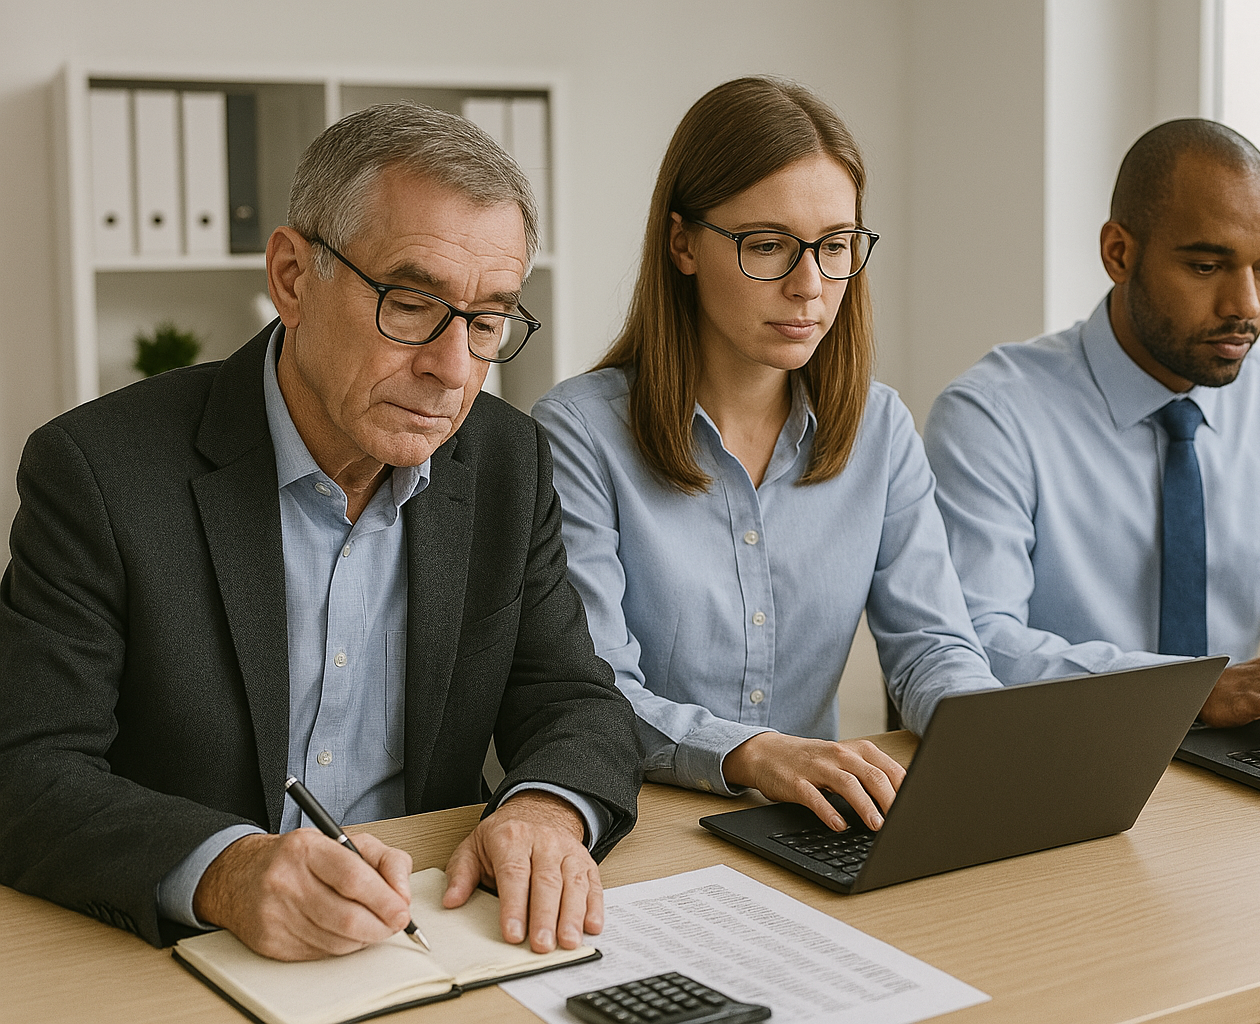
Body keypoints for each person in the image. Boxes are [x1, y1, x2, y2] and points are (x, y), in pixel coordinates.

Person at [0, 102, 642, 962]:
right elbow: (27, 770)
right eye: (412, 303)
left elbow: (574, 698)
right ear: (294, 277)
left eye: (489, 320)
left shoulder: (506, 463)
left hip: (431, 937)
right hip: (193, 956)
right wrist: (227, 869)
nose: (453, 369)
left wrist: (545, 809)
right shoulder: (98, 471)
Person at [925, 119, 1260, 1022]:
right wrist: (1190, 690)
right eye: (1207, 264)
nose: (1248, 304)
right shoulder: (994, 415)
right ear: (1119, 252)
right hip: (1058, 802)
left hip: (1232, 807)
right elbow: (975, 644)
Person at [532, 77, 999, 835]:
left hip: (816, 821)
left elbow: (931, 646)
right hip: (639, 825)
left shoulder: (880, 427)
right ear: (682, 243)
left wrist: (989, 734)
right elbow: (596, 693)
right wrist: (755, 753)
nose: (809, 286)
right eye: (768, 245)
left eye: (836, 246)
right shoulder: (578, 434)